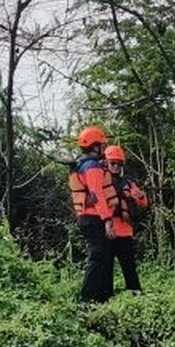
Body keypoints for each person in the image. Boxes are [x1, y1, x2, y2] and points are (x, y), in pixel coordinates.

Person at [68, 126, 118, 303]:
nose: (105, 148)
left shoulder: (83, 165)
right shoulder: (92, 167)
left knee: (102, 258)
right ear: (95, 146)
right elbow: (97, 195)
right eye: (102, 145)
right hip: (94, 218)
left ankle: (101, 299)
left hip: (87, 217)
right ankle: (87, 300)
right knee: (97, 258)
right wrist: (107, 219)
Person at [104, 144, 149, 293]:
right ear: (106, 163)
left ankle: (135, 292)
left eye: (119, 163)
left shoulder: (129, 183)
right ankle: (107, 295)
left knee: (129, 265)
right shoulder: (101, 182)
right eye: (113, 163)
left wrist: (140, 196)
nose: (116, 166)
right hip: (107, 231)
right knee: (106, 267)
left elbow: (143, 203)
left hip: (125, 231)